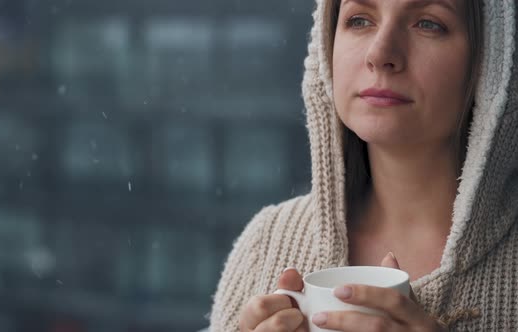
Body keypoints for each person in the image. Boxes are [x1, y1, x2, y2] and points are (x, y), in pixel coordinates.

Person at [208, 0, 518, 331]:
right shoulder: (265, 244)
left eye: (429, 23)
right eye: (359, 20)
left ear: (492, 58)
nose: (380, 53)